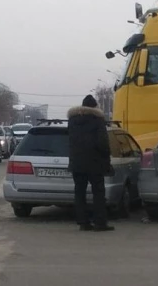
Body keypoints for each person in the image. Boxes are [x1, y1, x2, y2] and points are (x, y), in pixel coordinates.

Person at [68, 95, 114, 232]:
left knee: (79, 192)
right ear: (94, 107)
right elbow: (103, 143)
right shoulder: (98, 120)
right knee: (98, 193)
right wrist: (106, 157)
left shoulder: (73, 121)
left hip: (77, 162)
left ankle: (83, 222)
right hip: (95, 162)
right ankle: (100, 223)